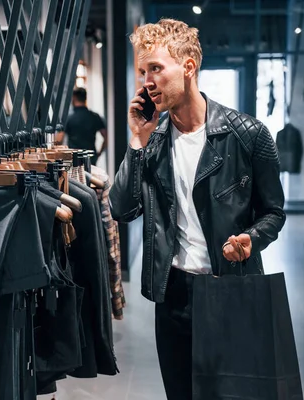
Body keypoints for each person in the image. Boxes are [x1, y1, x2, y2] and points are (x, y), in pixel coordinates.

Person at [108, 19, 286, 399]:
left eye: (156, 68)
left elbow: (274, 212)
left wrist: (250, 240)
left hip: (230, 288)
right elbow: (122, 209)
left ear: (188, 67)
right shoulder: (153, 141)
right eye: (142, 71)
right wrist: (136, 141)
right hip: (173, 295)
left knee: (234, 393)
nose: (146, 81)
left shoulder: (247, 135)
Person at [57, 87, 107, 165]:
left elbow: (59, 140)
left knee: (75, 177)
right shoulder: (94, 116)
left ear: (74, 98)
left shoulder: (68, 117)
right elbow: (106, 137)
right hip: (90, 157)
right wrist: (99, 153)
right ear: (85, 98)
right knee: (90, 177)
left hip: (74, 158)